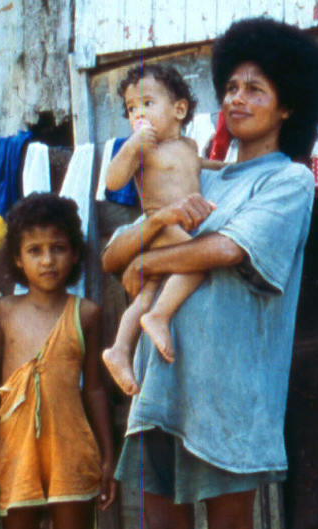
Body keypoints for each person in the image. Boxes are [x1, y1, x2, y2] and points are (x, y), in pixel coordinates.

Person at [100, 17, 318, 529]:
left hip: (230, 396)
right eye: (230, 87)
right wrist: (150, 233)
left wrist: (149, 258)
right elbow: (113, 256)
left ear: (287, 106)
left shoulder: (288, 181)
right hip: (162, 386)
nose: (238, 99)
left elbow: (226, 250)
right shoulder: (200, 174)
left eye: (256, 89)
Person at [0, 195, 117, 529]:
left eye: (58, 248)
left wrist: (108, 457)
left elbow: (94, 389)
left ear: (76, 254)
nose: (47, 260)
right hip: (17, 448)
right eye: (35, 250)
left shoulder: (87, 314)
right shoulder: (5, 311)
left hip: (71, 447)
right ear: (17, 258)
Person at [101, 63, 226, 393]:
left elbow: (202, 166)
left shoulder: (188, 147)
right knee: (196, 264)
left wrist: (234, 166)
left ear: (179, 110)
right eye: (131, 109)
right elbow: (113, 181)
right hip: (159, 227)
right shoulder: (144, 149)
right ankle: (159, 317)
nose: (137, 115)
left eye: (146, 103)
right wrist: (131, 145)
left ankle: (119, 349)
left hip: (180, 228)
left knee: (149, 291)